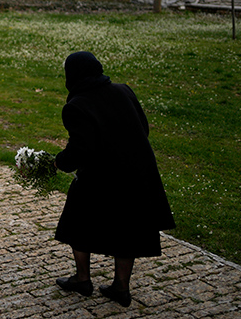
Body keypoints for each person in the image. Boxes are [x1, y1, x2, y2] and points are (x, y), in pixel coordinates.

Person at [53, 51, 175, 307]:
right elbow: (143, 127)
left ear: (72, 75)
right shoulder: (123, 90)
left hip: (102, 176)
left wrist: (58, 163)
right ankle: (121, 287)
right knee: (127, 228)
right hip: (137, 172)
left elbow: (81, 149)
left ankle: (82, 279)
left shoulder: (76, 105)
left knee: (76, 221)